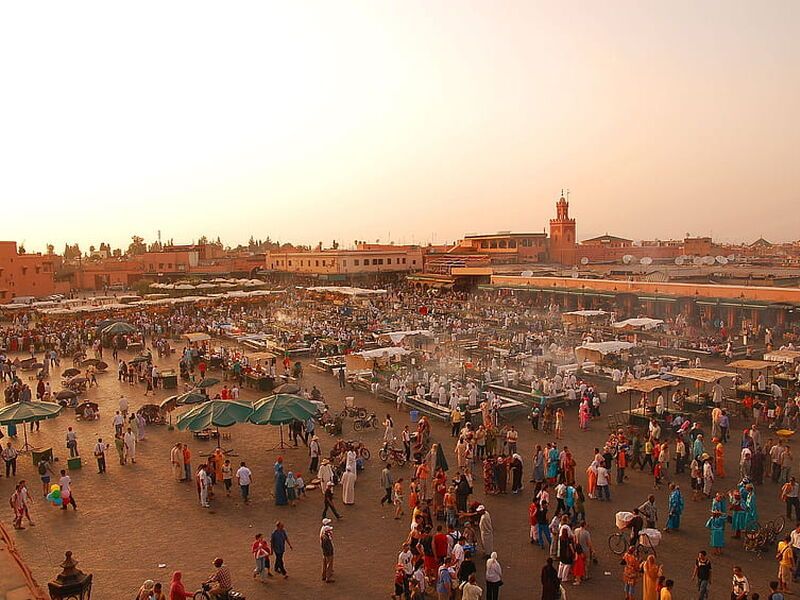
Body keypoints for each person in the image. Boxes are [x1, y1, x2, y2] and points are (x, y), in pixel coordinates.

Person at [320, 518, 335, 583]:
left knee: (325, 563)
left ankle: (324, 575)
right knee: (329, 564)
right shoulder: (326, 538)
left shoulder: (323, 533)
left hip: (325, 552)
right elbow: (328, 546)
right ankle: (328, 577)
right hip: (328, 552)